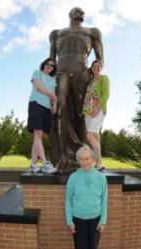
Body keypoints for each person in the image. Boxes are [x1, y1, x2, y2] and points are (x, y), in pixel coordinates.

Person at [49, 7, 104, 172]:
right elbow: (51, 58)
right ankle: (61, 158)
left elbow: (100, 59)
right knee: (59, 108)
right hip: (61, 72)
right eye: (76, 10)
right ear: (70, 14)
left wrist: (91, 75)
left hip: (82, 73)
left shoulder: (93, 32)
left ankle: (81, 156)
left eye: (82, 11)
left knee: (81, 114)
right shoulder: (56, 33)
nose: (79, 12)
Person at [65, 145, 108, 249]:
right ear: (78, 161)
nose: (85, 162)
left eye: (87, 158)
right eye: (82, 159)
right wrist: (69, 221)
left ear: (93, 159)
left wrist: (103, 221)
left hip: (95, 219)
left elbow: (104, 200)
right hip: (78, 219)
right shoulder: (73, 177)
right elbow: (68, 200)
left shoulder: (101, 178)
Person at [27, 57, 58, 173]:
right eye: (48, 64)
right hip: (36, 104)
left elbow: (54, 94)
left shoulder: (53, 79)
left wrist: (54, 104)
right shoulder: (37, 73)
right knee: (38, 133)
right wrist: (52, 96)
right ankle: (45, 163)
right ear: (44, 64)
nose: (49, 67)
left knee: (38, 136)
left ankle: (33, 164)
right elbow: (39, 87)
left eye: (52, 66)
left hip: (47, 108)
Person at [83, 59, 110, 171]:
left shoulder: (104, 78)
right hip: (87, 110)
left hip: (97, 109)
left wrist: (97, 108)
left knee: (89, 134)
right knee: (95, 135)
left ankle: (98, 162)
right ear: (92, 68)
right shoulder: (90, 81)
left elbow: (106, 94)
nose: (96, 68)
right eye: (94, 66)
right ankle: (99, 163)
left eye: (98, 66)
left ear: (101, 68)